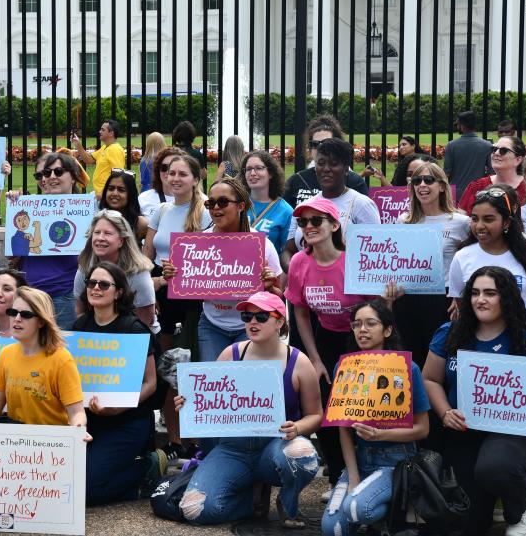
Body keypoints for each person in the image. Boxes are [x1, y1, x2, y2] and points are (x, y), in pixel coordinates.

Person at [423, 266, 526, 535]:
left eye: (489, 293)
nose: (480, 299)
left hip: (512, 436)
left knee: (494, 466)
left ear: (505, 298)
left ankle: (519, 509)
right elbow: (430, 379)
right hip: (464, 432)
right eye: (474, 293)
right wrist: (445, 412)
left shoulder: (525, 340)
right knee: (469, 524)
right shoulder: (449, 332)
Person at [174, 291, 322, 527]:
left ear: (280, 321)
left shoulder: (299, 361)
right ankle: (249, 501)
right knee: (194, 511)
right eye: (246, 316)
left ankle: (287, 501)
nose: (252, 322)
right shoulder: (230, 354)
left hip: (276, 445)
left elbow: (316, 415)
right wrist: (188, 405)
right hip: (234, 449)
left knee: (302, 454)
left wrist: (298, 427)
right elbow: (209, 405)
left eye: (262, 317)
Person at [321, 299, 430, 536]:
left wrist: (382, 434)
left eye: (371, 323)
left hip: (396, 461)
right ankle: (383, 516)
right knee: (333, 529)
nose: (362, 330)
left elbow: (423, 429)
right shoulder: (344, 367)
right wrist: (353, 476)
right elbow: (343, 428)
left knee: (357, 509)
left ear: (387, 330)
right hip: (359, 459)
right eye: (357, 324)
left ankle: (396, 513)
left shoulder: (408, 368)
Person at [285, 197, 373, 490]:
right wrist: (315, 358)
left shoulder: (355, 259)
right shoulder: (300, 262)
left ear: (334, 225)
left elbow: (375, 306)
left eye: (315, 221)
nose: (308, 227)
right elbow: (300, 310)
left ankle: (364, 473)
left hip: (358, 339)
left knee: (359, 408)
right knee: (324, 411)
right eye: (303, 222)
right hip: (324, 339)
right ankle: (337, 476)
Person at [164, 178, 282, 362]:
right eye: (211, 203)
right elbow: (185, 284)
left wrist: (268, 286)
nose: (216, 208)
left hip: (250, 325)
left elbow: (280, 295)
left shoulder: (262, 246)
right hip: (212, 325)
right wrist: (173, 275)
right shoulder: (197, 245)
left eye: (223, 202)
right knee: (215, 383)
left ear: (241, 206)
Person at [73, 261, 159, 505]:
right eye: (91, 283)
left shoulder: (132, 328)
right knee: (66, 483)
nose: (96, 288)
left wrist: (119, 407)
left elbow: (151, 383)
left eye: (104, 284)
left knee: (87, 492)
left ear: (119, 292)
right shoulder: (80, 327)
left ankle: (146, 469)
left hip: (127, 423)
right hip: (89, 421)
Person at [143, 153, 211, 458]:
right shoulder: (161, 209)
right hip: (162, 292)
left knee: (192, 367)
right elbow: (147, 254)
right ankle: (173, 439)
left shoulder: (207, 210)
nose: (175, 179)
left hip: (192, 297)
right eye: (171, 173)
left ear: (196, 178)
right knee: (169, 367)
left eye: (183, 174)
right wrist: (153, 286)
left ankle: (196, 438)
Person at [0, 286, 88, 432]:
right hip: (17, 443)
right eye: (13, 312)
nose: (17, 319)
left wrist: (79, 429)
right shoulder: (6, 354)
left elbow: (77, 413)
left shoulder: (61, 359)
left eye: (26, 314)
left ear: (41, 322)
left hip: (53, 443)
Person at [395, 160, 469, 366]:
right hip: (408, 296)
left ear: (442, 186)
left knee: (441, 355)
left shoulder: (460, 222)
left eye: (428, 180)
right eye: (416, 181)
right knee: (410, 355)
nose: (422, 185)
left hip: (443, 298)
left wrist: (460, 294)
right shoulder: (404, 221)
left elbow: (468, 261)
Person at [448, 185, 526, 328]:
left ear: (506, 222)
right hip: (480, 338)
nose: (479, 226)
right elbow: (461, 301)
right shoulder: (462, 257)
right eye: (475, 219)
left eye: (488, 219)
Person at [12, 151, 85, 329]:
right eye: (45, 173)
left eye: (58, 172)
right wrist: (14, 204)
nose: (50, 177)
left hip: (64, 295)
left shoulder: (86, 211)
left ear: (74, 178)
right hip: (31, 294)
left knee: (63, 350)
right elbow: (16, 252)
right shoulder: (27, 208)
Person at [282, 138, 381, 269]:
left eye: (334, 164)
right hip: (307, 286)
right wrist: (298, 272)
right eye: (321, 163)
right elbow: (288, 251)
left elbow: (376, 253)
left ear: (346, 169)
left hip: (346, 285)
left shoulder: (362, 204)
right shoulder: (304, 207)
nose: (326, 169)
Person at [74, 211, 156, 330]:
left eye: (107, 233)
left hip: (134, 335)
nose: (100, 238)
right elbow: (80, 311)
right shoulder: (85, 267)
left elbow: (146, 319)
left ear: (121, 241)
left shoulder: (138, 272)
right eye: (97, 233)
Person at [283, 114, 368, 208]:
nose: (320, 149)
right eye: (315, 144)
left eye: (326, 143)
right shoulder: (296, 180)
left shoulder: (355, 182)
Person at [239, 149, 294, 255]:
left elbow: (287, 253)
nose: (253, 173)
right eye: (248, 169)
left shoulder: (285, 211)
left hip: (267, 270)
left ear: (271, 173)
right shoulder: (237, 204)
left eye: (259, 168)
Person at [458, 135, 526, 213]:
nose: (496, 153)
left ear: (518, 160)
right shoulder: (476, 186)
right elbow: (461, 219)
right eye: (494, 149)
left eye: (503, 150)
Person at [71, 118, 126, 198]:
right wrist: (78, 145)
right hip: (100, 194)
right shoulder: (105, 147)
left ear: (111, 133)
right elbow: (88, 160)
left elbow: (118, 176)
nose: (100, 132)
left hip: (106, 195)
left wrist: (104, 193)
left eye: (103, 130)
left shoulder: (115, 150)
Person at [444, 110, 493, 199]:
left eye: (457, 124)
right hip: (478, 192)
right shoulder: (487, 145)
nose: (457, 127)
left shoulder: (451, 145)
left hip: (455, 193)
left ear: (461, 125)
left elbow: (446, 173)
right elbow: (492, 173)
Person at [98, 169, 148, 247]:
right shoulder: (97, 220)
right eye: (111, 189)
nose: (114, 193)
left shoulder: (140, 224)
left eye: (121, 190)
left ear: (130, 195)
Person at [138, 146, 181, 221]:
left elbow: (205, 232)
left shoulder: (199, 201)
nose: (168, 172)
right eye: (164, 167)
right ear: (158, 170)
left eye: (174, 167)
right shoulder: (144, 198)